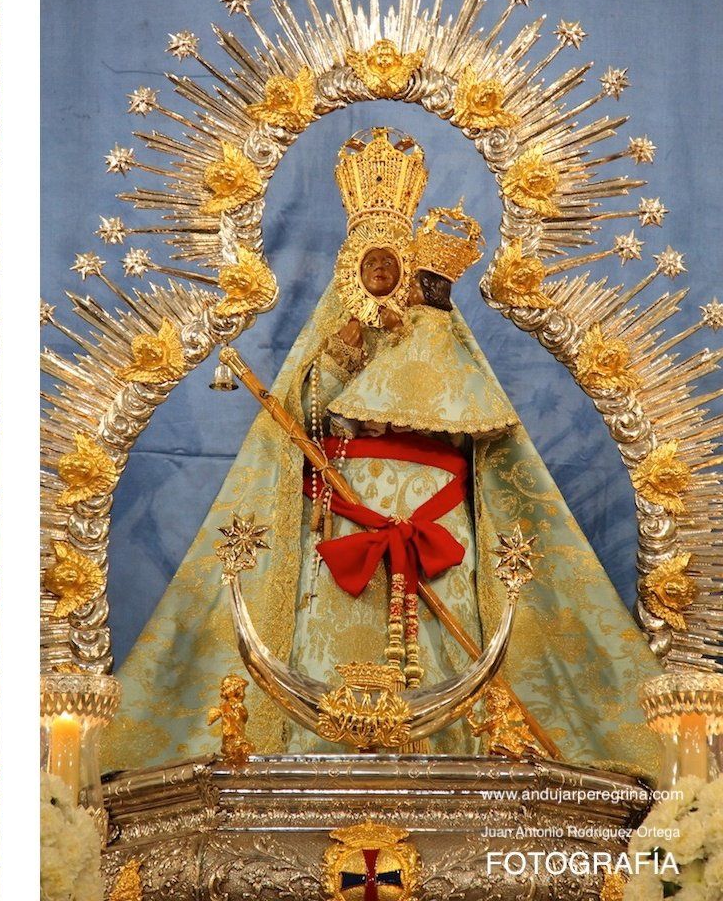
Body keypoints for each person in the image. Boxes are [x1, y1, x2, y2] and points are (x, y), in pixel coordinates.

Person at [105, 128, 661, 776]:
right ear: (355, 268)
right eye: (371, 267)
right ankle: (317, 765)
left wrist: (426, 331)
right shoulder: (334, 339)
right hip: (348, 516)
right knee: (334, 643)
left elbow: (472, 418)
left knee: (445, 651)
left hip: (436, 520)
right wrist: (342, 351)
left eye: (390, 267)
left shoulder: (440, 336)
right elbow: (307, 408)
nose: (380, 278)